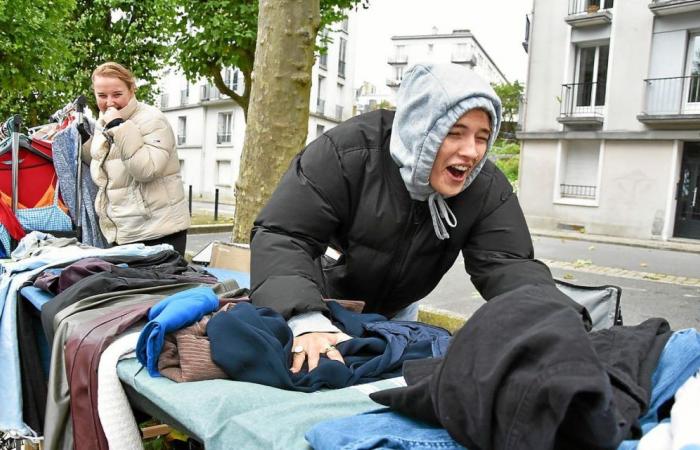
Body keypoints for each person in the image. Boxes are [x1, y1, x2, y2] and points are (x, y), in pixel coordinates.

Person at [250, 63, 575, 373]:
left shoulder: (486, 187)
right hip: (324, 304)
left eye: (481, 136)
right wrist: (305, 320)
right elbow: (284, 235)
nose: (472, 151)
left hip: (401, 310)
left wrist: (560, 325)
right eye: (455, 132)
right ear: (420, 128)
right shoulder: (347, 151)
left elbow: (509, 265)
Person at [81, 62, 190, 255]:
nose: (109, 102)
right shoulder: (103, 121)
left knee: (160, 287)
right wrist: (81, 142)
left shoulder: (152, 120)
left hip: (159, 232)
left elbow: (146, 170)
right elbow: (109, 166)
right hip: (124, 232)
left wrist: (119, 126)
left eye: (117, 94)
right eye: (102, 96)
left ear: (132, 89)